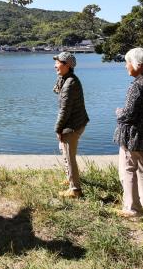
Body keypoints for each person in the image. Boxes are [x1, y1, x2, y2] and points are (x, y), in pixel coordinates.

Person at [113, 47, 143, 218]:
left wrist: (118, 112)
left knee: (128, 170)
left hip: (132, 136)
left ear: (139, 65)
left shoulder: (137, 85)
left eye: (128, 63)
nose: (126, 66)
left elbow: (128, 114)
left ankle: (132, 209)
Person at [53, 51, 89, 198]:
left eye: (58, 62)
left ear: (67, 65)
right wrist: (60, 77)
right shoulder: (66, 79)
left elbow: (64, 110)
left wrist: (58, 129)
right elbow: (56, 91)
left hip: (72, 125)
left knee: (69, 156)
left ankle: (75, 190)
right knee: (64, 151)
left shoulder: (70, 83)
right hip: (75, 122)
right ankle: (70, 179)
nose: (55, 65)